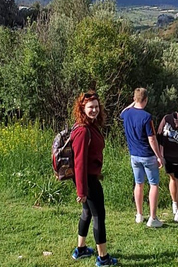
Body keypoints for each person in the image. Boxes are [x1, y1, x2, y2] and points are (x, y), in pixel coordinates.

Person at [71, 91, 118, 265]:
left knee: (88, 212)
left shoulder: (89, 126)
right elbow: (79, 163)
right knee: (99, 215)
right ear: (82, 108)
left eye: (97, 107)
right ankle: (103, 258)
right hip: (88, 180)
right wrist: (82, 190)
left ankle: (81, 249)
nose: (94, 110)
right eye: (90, 107)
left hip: (88, 178)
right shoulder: (83, 131)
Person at [120, 88, 164, 228]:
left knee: (138, 183)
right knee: (153, 184)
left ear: (134, 99)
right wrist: (159, 156)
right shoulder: (146, 117)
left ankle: (139, 214)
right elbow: (152, 139)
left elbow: (122, 112)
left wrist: (133, 103)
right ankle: (153, 217)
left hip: (134, 155)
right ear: (146, 100)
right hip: (147, 155)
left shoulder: (127, 113)